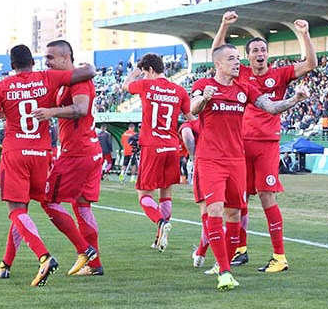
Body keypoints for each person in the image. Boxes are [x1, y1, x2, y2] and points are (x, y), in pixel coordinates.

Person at [0, 44, 96, 287]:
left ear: (12, 65)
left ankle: (44, 256)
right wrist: (86, 66)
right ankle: (7, 265)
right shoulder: (47, 77)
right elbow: (88, 73)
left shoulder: (2, 86)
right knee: (45, 204)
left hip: (15, 152)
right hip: (41, 153)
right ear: (33, 61)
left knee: (17, 210)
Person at [191, 43, 309, 290]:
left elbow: (271, 107)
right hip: (210, 159)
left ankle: (225, 265)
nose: (237, 63)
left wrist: (295, 99)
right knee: (214, 210)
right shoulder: (203, 86)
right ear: (218, 64)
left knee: (234, 214)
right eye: (232, 59)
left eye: (237, 58)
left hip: (237, 160)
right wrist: (204, 99)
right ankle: (223, 271)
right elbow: (193, 109)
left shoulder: (245, 88)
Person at [211, 11, 317, 273]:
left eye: (263, 50)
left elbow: (310, 64)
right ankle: (240, 249)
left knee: (267, 197)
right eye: (255, 50)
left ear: (267, 54)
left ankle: (279, 257)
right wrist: (224, 25)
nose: (260, 53)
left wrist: (304, 35)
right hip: (239, 144)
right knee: (237, 200)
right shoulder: (241, 73)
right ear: (248, 56)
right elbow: (217, 53)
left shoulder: (280, 75)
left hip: (267, 144)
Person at [31, 39, 103, 276]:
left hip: (77, 154)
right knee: (82, 206)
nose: (46, 61)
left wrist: (51, 112)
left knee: (48, 200)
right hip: (89, 152)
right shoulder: (65, 82)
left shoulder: (79, 79)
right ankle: (94, 265)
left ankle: (85, 250)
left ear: (65, 57)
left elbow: (81, 109)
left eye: (50, 57)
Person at [121, 53, 194, 252]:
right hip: (172, 146)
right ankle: (159, 239)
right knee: (166, 193)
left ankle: (160, 223)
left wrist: (136, 70)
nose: (143, 76)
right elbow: (191, 118)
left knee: (144, 194)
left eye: (145, 73)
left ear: (151, 70)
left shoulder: (146, 85)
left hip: (152, 145)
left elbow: (125, 85)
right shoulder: (180, 91)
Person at [180, 119, 209, 268]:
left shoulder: (194, 123)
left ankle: (203, 255)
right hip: (233, 162)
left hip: (206, 164)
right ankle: (239, 250)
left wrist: (194, 155)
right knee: (232, 212)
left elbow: (187, 135)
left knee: (208, 213)